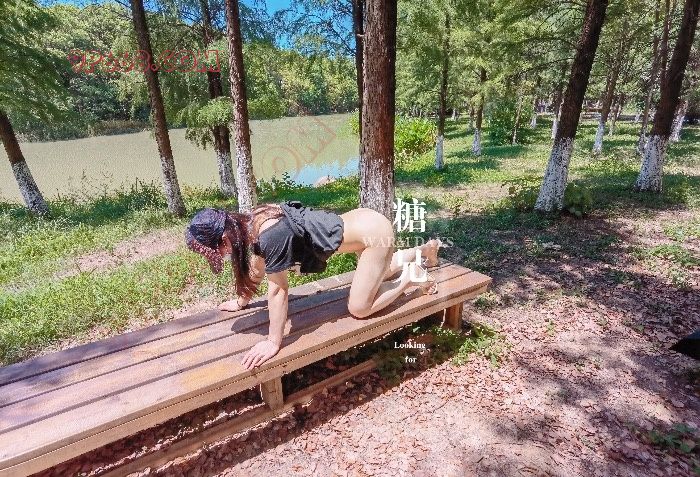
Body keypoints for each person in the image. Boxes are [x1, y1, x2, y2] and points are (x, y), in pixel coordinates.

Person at [185, 200, 443, 370]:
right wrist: (241, 301)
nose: (221, 255)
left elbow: (278, 290)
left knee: (359, 308)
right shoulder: (250, 222)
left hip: (374, 235)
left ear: (224, 238)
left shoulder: (270, 235)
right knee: (380, 271)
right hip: (365, 222)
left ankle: (410, 276)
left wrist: (273, 341)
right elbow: (258, 266)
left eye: (217, 251)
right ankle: (423, 251)